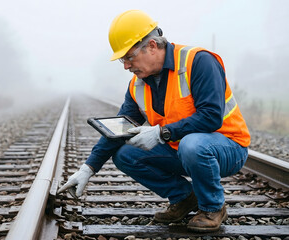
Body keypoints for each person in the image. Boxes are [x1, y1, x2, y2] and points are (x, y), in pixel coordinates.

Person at [58, 9, 251, 233]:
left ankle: (212, 208)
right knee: (125, 154)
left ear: (151, 46)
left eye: (129, 57)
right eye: (123, 59)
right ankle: (185, 198)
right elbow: (121, 126)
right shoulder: (138, 83)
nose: (126, 66)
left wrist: (161, 133)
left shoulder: (198, 62)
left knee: (193, 145)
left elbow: (211, 116)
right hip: (182, 149)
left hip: (227, 147)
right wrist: (88, 168)